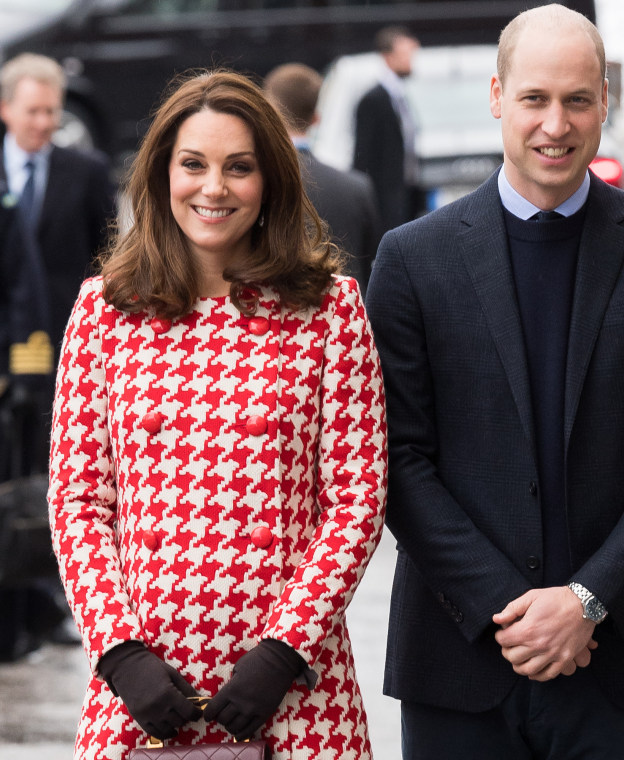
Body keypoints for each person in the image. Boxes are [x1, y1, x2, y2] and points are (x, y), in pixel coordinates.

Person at [365, 5, 624, 759]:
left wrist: (588, 601)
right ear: (498, 96)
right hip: (459, 658)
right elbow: (397, 456)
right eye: (535, 98)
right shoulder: (411, 260)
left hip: (618, 659)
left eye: (577, 100)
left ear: (605, 101)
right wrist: (510, 608)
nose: (555, 124)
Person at [47, 69, 387, 760]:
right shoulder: (104, 311)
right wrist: (118, 653)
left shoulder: (330, 310)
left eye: (239, 168)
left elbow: (356, 499)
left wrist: (285, 651)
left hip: (294, 693)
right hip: (140, 693)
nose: (213, 188)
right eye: (193, 164)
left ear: (270, 182)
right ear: (160, 175)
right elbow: (80, 500)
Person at [0, 52, 115, 659]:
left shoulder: (86, 169)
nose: (45, 122)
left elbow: (109, 258)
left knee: (56, 481)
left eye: (53, 110)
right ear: (6, 109)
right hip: (8, 355)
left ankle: (53, 601)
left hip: (65, 350)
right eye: (34, 110)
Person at [263, 62, 381, 295]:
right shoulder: (357, 188)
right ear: (316, 118)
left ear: (269, 110)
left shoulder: (254, 184)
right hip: (346, 323)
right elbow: (371, 266)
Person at [353, 25, 423, 235]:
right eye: (406, 54)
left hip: (404, 194)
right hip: (385, 201)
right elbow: (363, 157)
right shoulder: (374, 100)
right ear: (388, 57)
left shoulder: (398, 96)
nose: (411, 60)